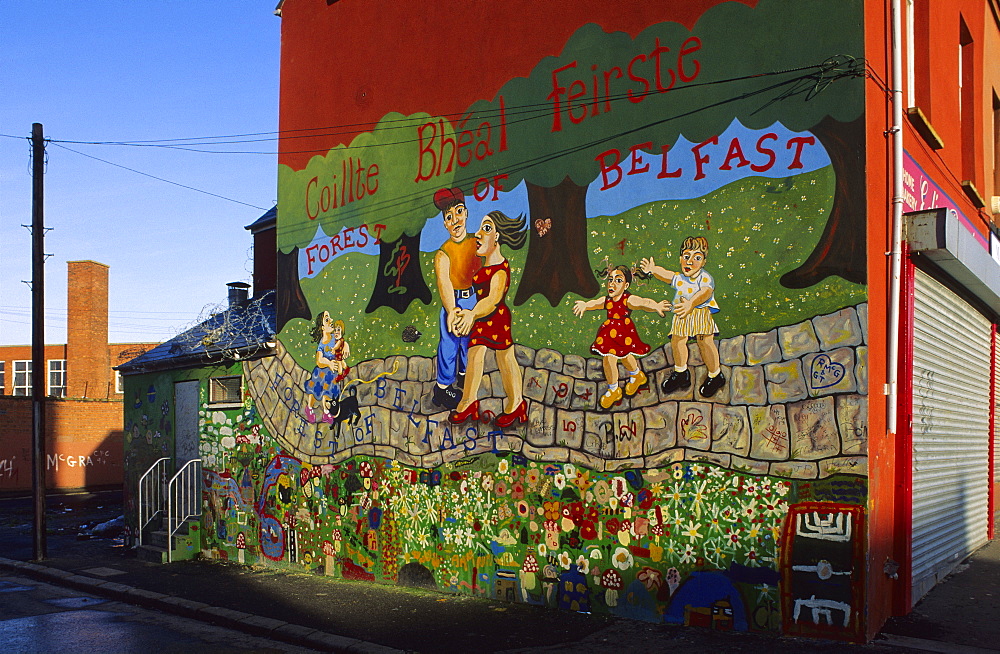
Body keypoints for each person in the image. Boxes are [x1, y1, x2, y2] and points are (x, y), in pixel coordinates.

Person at [450, 210, 527, 428]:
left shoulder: (500, 269)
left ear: (498, 236)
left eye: (486, 228)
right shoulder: (482, 266)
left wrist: (472, 313)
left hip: (497, 318)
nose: (479, 234)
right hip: (481, 318)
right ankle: (468, 401)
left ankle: (516, 403)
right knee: (474, 355)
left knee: (505, 358)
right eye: (480, 228)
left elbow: (493, 299)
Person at [574, 265, 669, 409]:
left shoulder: (627, 299)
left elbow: (643, 303)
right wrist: (585, 305)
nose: (612, 284)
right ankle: (632, 378)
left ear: (626, 285)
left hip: (624, 334)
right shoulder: (608, 300)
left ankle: (616, 389)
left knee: (621, 357)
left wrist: (656, 306)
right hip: (609, 335)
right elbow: (596, 303)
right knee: (612, 359)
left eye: (618, 281)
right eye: (610, 280)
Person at [640, 235, 726, 398]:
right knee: (678, 340)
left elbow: (705, 292)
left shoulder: (704, 278)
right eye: (686, 257)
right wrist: (653, 269)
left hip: (700, 312)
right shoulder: (680, 278)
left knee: (705, 341)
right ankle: (681, 373)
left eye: (697, 258)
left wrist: (691, 304)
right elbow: (667, 275)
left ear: (704, 262)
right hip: (682, 313)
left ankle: (715, 375)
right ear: (680, 258)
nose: (690, 261)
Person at [431, 187, 481, 410]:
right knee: (450, 344)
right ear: (444, 223)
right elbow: (444, 283)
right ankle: (442, 389)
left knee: (469, 343)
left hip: (473, 299)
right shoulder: (444, 252)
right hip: (454, 301)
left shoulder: (476, 243)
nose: (455, 220)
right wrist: (452, 310)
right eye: (449, 217)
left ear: (467, 213)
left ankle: (464, 375)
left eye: (458, 212)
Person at [303, 311, 350, 423]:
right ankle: (309, 408)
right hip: (321, 372)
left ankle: (326, 411)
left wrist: (346, 346)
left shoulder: (335, 338)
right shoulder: (322, 344)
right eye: (327, 319)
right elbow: (319, 360)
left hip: (331, 373)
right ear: (322, 327)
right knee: (315, 390)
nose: (331, 321)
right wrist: (328, 363)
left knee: (328, 391)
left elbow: (343, 342)